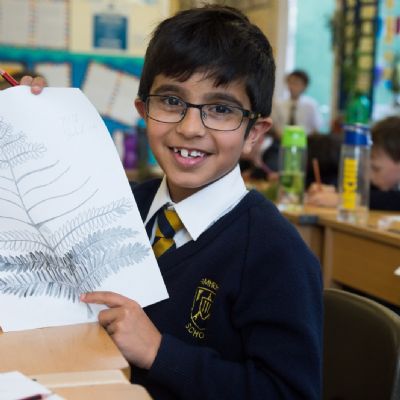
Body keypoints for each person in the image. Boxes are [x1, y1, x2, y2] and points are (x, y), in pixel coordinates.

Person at [24, 5, 322, 399]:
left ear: (254, 132)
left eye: (221, 109)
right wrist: (24, 122)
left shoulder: (275, 253)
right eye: (171, 101)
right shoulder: (119, 204)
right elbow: (31, 243)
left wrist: (159, 353)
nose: (190, 127)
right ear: (143, 110)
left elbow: (289, 393)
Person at [306, 116, 400, 211]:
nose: (369, 176)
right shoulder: (381, 185)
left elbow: (393, 200)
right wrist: (333, 191)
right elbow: (373, 193)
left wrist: (344, 199)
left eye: (376, 169)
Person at [272, 69, 322, 136]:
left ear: (304, 86)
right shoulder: (278, 104)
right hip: (281, 139)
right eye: (290, 82)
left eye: (296, 83)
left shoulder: (311, 105)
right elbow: (274, 125)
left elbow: (316, 127)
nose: (292, 86)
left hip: (305, 140)